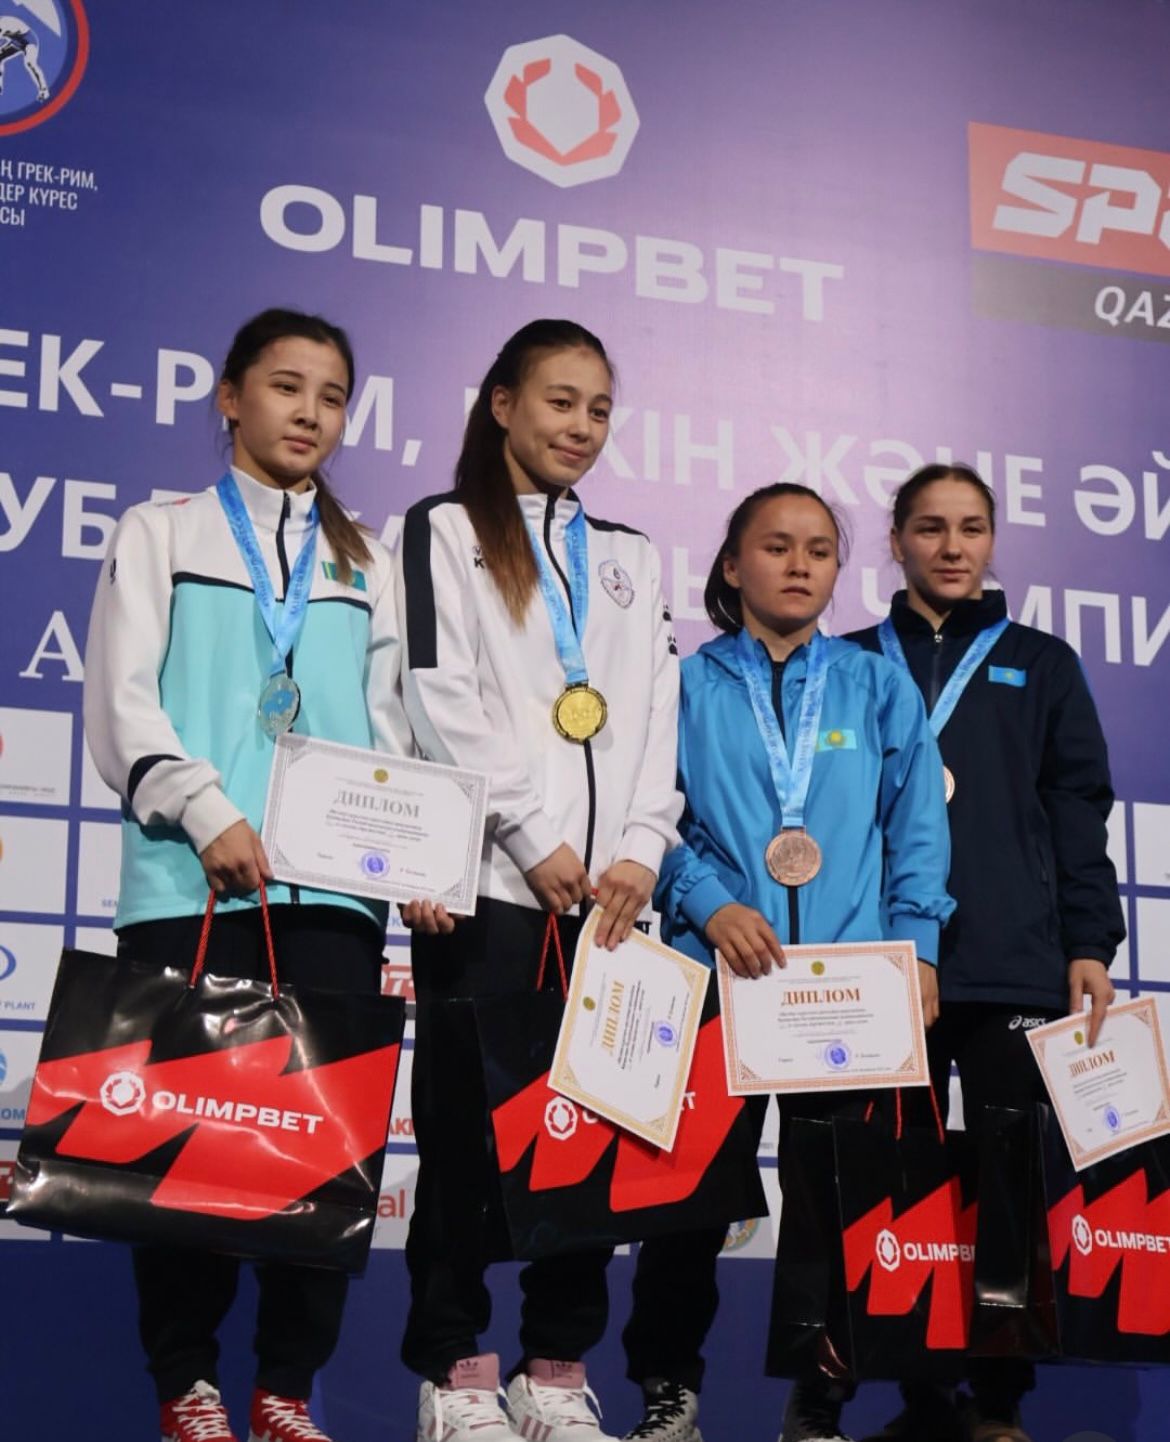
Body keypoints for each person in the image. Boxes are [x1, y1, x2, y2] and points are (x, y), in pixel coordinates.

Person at [84, 307, 448, 1442]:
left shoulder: (366, 559)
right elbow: (121, 702)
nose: (309, 412)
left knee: (318, 1154)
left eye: (331, 396)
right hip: (192, 883)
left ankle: (286, 1386)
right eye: (286, 386)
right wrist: (206, 811)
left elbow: (394, 728)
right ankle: (186, 1384)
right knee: (181, 1147)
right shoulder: (162, 531)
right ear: (230, 397)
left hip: (332, 895)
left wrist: (419, 856)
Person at [618, 482, 954, 1442]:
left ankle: (819, 1399)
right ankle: (668, 1393)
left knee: (835, 1204)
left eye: (819, 549)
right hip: (717, 978)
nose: (800, 564)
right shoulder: (682, 684)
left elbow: (917, 829)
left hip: (847, 988)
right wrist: (707, 901)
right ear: (732, 566)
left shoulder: (875, 685)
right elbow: (644, 815)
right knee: (687, 1202)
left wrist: (919, 950)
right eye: (776, 546)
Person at [396, 318, 682, 1442]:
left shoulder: (633, 555)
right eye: (561, 401)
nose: (582, 426)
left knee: (593, 1138)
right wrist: (523, 829)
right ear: (503, 404)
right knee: (466, 1142)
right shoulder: (445, 528)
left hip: (609, 902)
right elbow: (437, 691)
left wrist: (642, 847)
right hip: (491, 891)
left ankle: (555, 1372)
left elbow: (654, 713)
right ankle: (456, 1372)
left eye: (599, 408)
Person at [848, 463, 1123, 1442]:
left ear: (993, 539)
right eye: (930, 527)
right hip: (884, 964)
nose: (952, 546)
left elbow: (1077, 809)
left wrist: (1089, 940)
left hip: (1014, 958)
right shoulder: (853, 660)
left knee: (1012, 1180)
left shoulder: (1041, 663)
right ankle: (919, 1394)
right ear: (896, 540)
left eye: (971, 527)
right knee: (899, 1180)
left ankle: (1000, 1400)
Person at [0, 15, 50, 102]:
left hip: (29, 42)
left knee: (30, 63)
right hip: (16, 42)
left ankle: (44, 89)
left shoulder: (3, 22)